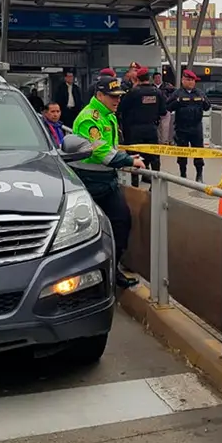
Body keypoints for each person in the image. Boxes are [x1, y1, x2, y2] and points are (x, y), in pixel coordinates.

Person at [69, 76, 146, 289]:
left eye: (119, 96)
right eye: (113, 97)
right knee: (85, 230)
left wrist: (124, 155)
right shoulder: (89, 118)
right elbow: (100, 151)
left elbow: (110, 147)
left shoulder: (107, 115)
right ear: (99, 95)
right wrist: (130, 160)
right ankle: (84, 277)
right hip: (89, 183)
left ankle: (112, 271)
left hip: (107, 182)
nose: (117, 100)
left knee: (121, 222)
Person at [117, 67, 167, 187]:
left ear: (137, 79)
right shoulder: (157, 92)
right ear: (149, 78)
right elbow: (163, 111)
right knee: (154, 157)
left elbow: (121, 108)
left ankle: (135, 185)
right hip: (151, 129)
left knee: (135, 156)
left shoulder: (133, 93)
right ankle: (155, 185)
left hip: (135, 130)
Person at [166, 69, 211, 182]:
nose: (190, 82)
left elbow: (207, 106)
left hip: (196, 128)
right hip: (182, 128)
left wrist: (204, 101)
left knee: (198, 152)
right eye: (188, 80)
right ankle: (183, 173)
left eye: (192, 80)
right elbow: (168, 107)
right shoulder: (177, 93)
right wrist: (177, 102)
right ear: (183, 80)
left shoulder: (199, 93)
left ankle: (199, 175)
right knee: (182, 152)